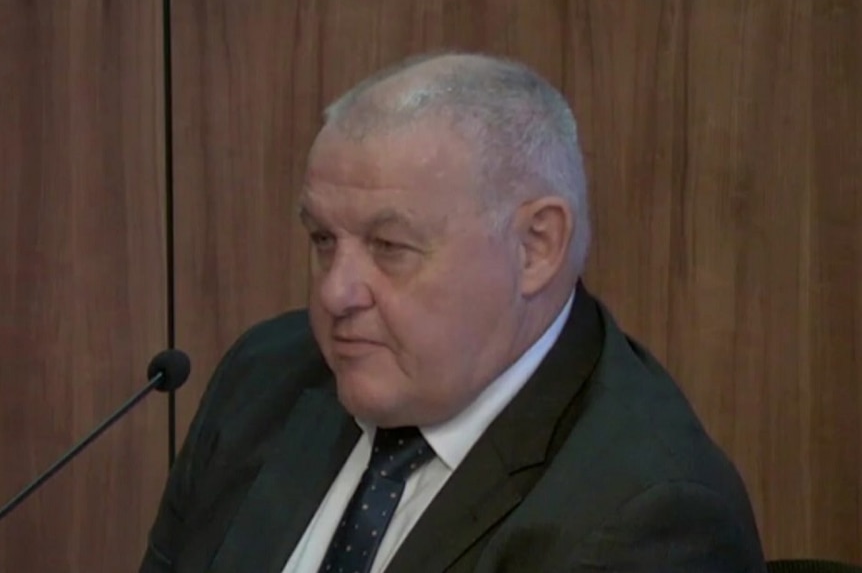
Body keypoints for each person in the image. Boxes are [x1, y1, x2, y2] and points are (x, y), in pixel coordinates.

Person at [139, 52, 766, 572]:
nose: (336, 293)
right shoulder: (265, 377)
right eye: (323, 241)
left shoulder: (652, 516)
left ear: (535, 247)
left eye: (390, 247)